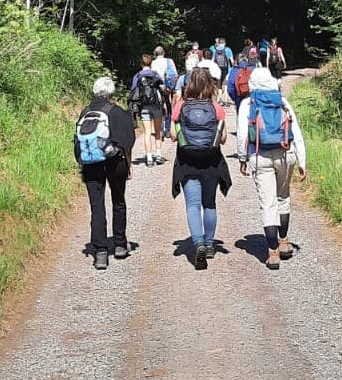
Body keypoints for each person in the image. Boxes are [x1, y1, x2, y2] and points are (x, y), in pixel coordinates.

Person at [236, 65, 307, 270]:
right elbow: (296, 131)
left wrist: (242, 159)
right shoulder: (281, 101)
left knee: (268, 203)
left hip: (260, 156)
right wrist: (302, 161)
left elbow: (242, 134)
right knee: (283, 197)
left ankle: (273, 252)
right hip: (286, 153)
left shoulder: (248, 103)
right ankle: (284, 242)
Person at [171, 67, 231, 269]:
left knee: (193, 205)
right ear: (210, 84)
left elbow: (172, 136)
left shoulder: (181, 106)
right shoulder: (215, 107)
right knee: (210, 204)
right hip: (211, 161)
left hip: (187, 161)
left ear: (189, 84)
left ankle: (198, 244)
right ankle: (210, 243)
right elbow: (222, 138)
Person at [74, 76, 136, 270]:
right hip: (115, 161)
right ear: (111, 93)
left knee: (96, 205)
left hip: (90, 163)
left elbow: (77, 143)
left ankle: (100, 252)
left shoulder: (84, 113)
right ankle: (119, 245)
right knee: (118, 200)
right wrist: (128, 164)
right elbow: (128, 141)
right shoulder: (117, 112)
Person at [129, 54, 168, 166]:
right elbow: (162, 89)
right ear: (151, 63)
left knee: (147, 132)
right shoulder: (155, 75)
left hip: (144, 107)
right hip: (156, 106)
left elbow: (133, 91)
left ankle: (149, 157)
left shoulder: (137, 76)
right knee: (157, 131)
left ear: (141, 64)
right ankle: (159, 154)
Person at [151, 44, 179, 134]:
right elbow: (175, 74)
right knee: (168, 106)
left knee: (159, 107)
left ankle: (161, 129)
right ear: (164, 53)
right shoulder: (169, 61)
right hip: (167, 87)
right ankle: (167, 129)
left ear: (155, 53)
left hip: (157, 87)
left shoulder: (153, 63)